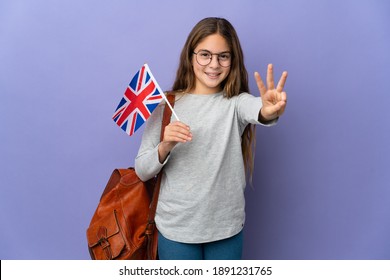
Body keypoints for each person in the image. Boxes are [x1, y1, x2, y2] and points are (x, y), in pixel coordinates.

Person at [135, 17, 288, 260]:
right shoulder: (165, 105)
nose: (213, 64)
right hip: (176, 229)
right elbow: (142, 171)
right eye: (205, 54)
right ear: (190, 56)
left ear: (232, 60)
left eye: (223, 56)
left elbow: (256, 109)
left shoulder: (236, 103)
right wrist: (164, 146)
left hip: (226, 228)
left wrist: (268, 110)